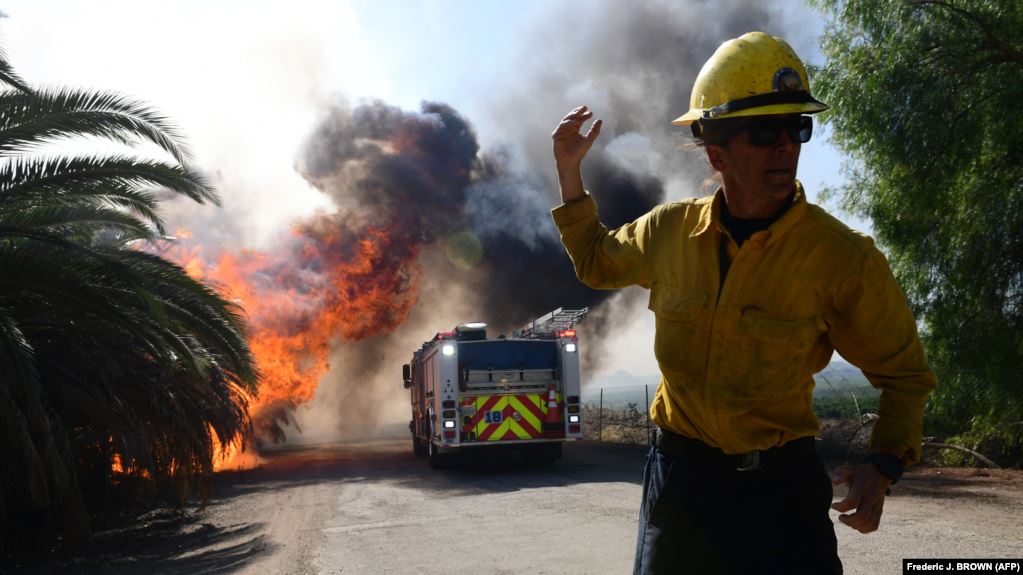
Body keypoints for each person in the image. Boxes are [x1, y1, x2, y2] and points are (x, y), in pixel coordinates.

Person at [550, 31, 937, 574]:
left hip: (782, 497)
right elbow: (594, 260)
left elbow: (906, 375)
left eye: (796, 127)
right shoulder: (668, 232)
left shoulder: (842, 259)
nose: (786, 145)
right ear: (716, 152)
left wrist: (884, 463)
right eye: (764, 130)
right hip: (681, 487)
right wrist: (570, 172)